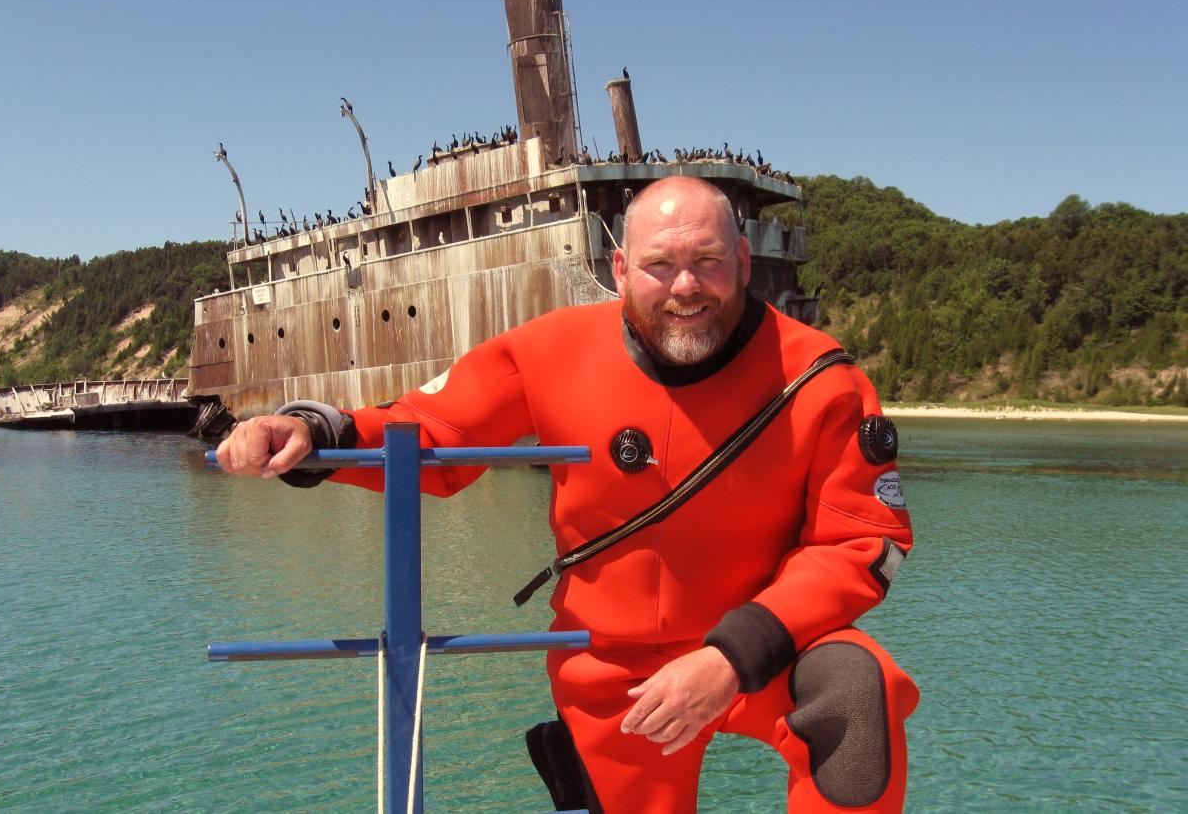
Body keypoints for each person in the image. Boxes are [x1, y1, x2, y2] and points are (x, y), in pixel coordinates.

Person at [217, 176, 918, 812]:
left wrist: (731, 657)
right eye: (658, 265)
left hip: (766, 652)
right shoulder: (547, 351)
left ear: (741, 262)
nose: (684, 287)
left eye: (706, 261)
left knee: (859, 691)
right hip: (613, 668)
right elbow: (431, 437)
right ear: (619, 271)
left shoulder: (820, 379)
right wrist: (313, 430)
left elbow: (860, 541)